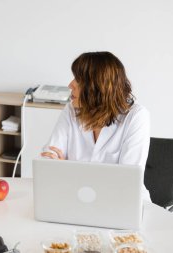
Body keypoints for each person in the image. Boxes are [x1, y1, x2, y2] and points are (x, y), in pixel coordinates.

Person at [41, 52, 150, 196]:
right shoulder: (71, 110)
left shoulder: (136, 117)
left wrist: (67, 171)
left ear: (98, 87)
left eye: (78, 79)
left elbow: (126, 181)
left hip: (124, 202)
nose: (70, 85)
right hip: (75, 196)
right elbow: (48, 161)